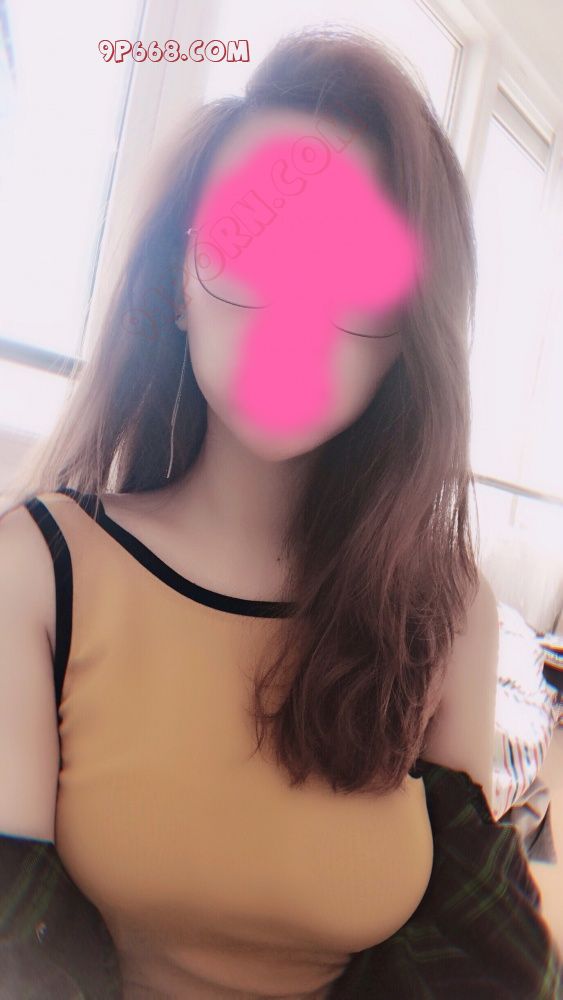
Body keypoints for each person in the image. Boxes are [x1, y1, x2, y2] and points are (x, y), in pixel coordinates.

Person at [0, 25, 560, 1000]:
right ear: (177, 283)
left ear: (408, 333)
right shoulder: (38, 572)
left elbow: (479, 958)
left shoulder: (445, 615)